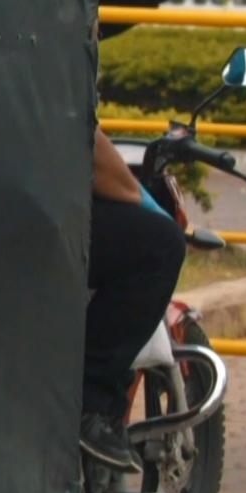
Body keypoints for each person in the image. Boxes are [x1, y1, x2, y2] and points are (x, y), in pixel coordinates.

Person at [79, 125, 187, 472]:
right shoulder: (55, 70)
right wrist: (141, 200)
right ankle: (89, 405)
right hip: (23, 223)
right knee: (162, 244)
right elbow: (81, 130)